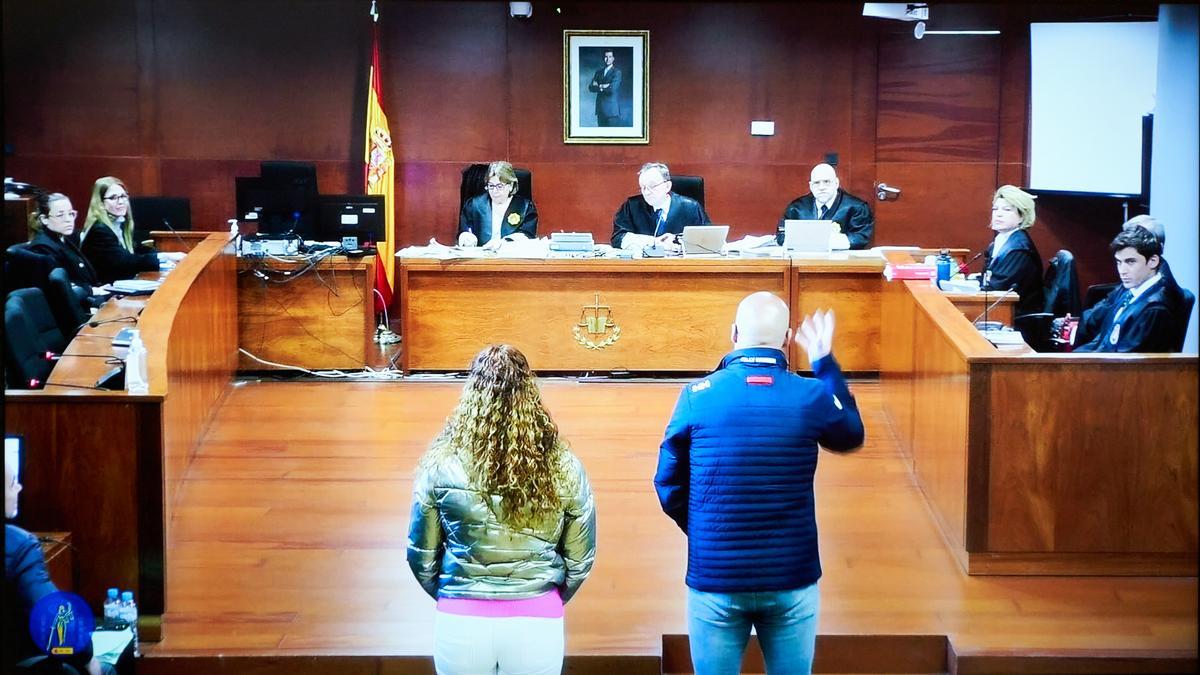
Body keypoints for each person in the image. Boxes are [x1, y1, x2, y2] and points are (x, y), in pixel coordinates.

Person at [654, 292, 865, 675]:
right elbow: (851, 434)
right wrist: (824, 362)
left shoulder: (696, 397)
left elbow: (667, 483)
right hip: (792, 577)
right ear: (787, 339)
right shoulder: (810, 394)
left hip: (715, 577)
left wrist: (704, 529)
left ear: (733, 333)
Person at [407, 344, 596, 675]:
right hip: (537, 619)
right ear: (530, 392)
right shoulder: (565, 467)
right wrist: (546, 594)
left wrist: (457, 592)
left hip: (460, 618)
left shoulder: (440, 465)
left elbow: (420, 555)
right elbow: (581, 561)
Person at [5, 450, 108, 675]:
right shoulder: (19, 546)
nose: (19, 488)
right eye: (13, 482)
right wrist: (88, 658)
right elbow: (54, 622)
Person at [1074, 226, 1187, 353]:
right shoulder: (1131, 290)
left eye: (1130, 262)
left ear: (1153, 261)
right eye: (1119, 262)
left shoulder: (1155, 308)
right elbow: (1104, 340)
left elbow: (1127, 364)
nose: (1122, 270)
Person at [80, 177, 183, 284]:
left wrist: (167, 257)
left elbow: (137, 249)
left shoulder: (121, 223)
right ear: (100, 203)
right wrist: (164, 257)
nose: (121, 202)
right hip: (105, 290)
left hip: (120, 283)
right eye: (113, 198)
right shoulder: (99, 230)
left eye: (123, 196)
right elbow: (125, 261)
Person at [611, 162, 710, 252]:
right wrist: (653, 242)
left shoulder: (691, 207)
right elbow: (618, 238)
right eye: (643, 187)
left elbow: (708, 239)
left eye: (652, 186)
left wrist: (678, 243)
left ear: (667, 186)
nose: (647, 192)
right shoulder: (631, 206)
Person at [979, 184, 1044, 317]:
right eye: (995, 209)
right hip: (1000, 309)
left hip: (1015, 316)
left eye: (1007, 210)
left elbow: (998, 289)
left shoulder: (1018, 249)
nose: (998, 214)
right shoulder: (1001, 241)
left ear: (1022, 217)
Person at [777, 163, 874, 250]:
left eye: (826, 182)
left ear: (836, 183)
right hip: (804, 261)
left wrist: (827, 241)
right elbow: (781, 235)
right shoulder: (796, 208)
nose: (821, 187)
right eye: (817, 183)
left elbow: (860, 238)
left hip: (841, 264)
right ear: (811, 186)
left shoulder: (857, 208)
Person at [25, 191, 104, 297]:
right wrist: (91, 291)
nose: (69, 220)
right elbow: (61, 288)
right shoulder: (42, 248)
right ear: (44, 219)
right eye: (60, 215)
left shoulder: (65, 239)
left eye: (71, 214)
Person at [457, 161, 538, 251]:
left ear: (510, 185)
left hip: (511, 257)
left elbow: (528, 235)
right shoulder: (474, 205)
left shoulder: (525, 207)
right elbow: (465, 229)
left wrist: (504, 242)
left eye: (500, 186)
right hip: (480, 258)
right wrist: (466, 236)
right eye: (491, 186)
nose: (495, 191)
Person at [588, 49, 622, 127]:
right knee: (601, 136)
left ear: (613, 58)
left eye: (610, 57)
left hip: (611, 111)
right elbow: (591, 87)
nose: (607, 59)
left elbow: (612, 89)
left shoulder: (617, 72)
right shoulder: (598, 72)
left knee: (611, 137)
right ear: (603, 58)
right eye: (605, 57)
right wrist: (603, 86)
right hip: (600, 110)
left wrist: (598, 85)